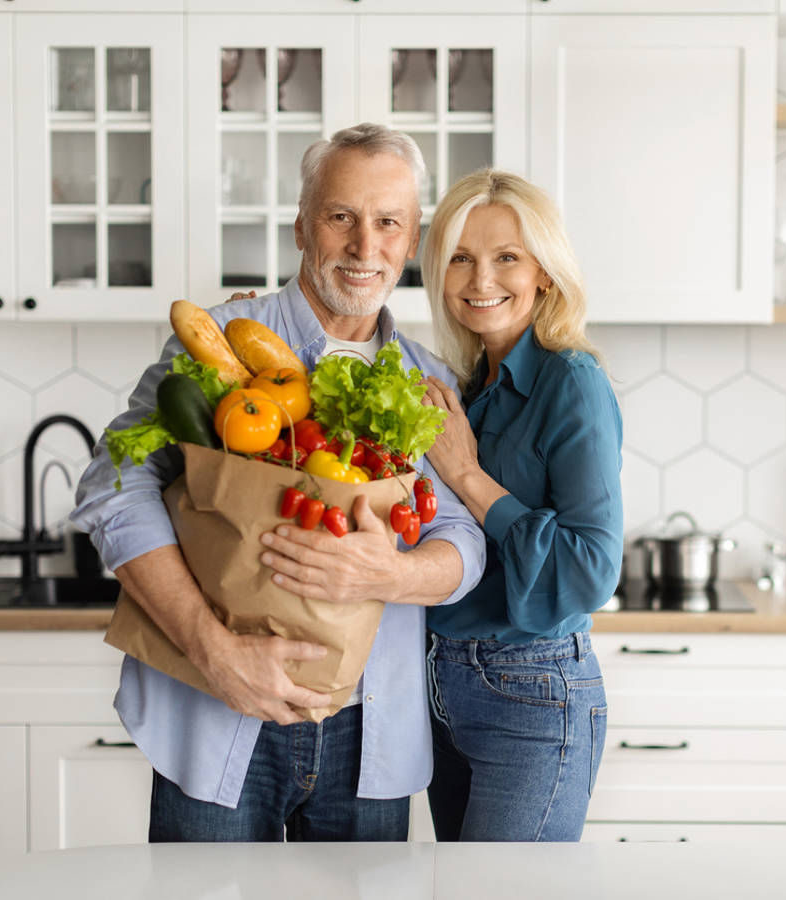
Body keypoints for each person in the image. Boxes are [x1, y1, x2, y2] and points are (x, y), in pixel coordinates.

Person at [71, 124, 486, 843]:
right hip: (215, 707)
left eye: (388, 222)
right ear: (301, 224)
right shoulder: (224, 340)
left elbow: (463, 538)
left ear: (413, 237)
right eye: (340, 217)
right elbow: (111, 484)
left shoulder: (431, 380)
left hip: (370, 731)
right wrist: (213, 649)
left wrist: (394, 572)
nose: (365, 247)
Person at [418, 169, 623, 842]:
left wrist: (468, 477)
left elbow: (593, 568)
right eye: (460, 258)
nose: (482, 280)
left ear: (544, 271)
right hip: (445, 684)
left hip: (531, 689)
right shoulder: (471, 384)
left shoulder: (572, 382)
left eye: (506, 257)